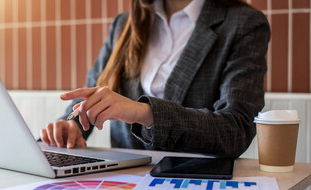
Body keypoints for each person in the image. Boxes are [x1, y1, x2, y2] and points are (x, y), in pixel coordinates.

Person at [41, 0, 270, 158]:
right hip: (124, 188)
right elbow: (89, 98)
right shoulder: (124, 25)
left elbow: (236, 130)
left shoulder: (243, 24)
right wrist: (70, 127)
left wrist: (144, 113)